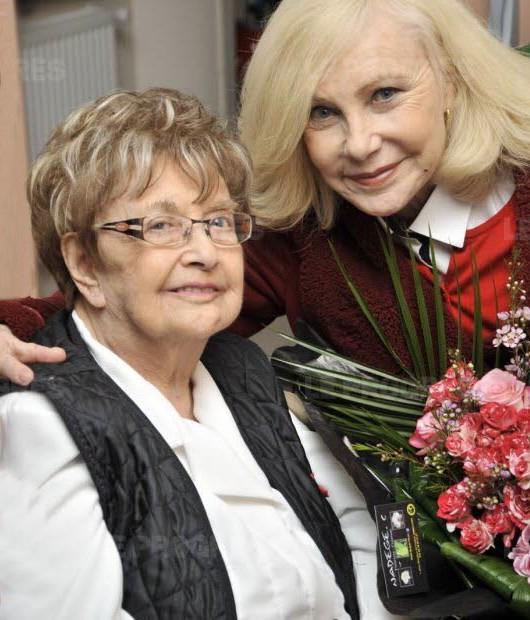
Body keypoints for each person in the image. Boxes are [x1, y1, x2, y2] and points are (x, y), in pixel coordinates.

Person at [0, 88, 396, 619]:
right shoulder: (39, 425)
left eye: (218, 222)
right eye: (160, 226)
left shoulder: (242, 368)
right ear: (84, 263)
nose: (206, 252)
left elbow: (362, 532)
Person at [2, 0, 530, 380]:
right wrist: (9, 328)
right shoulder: (306, 237)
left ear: (452, 85)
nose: (361, 144)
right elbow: (117, 309)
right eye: (321, 112)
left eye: (385, 95)